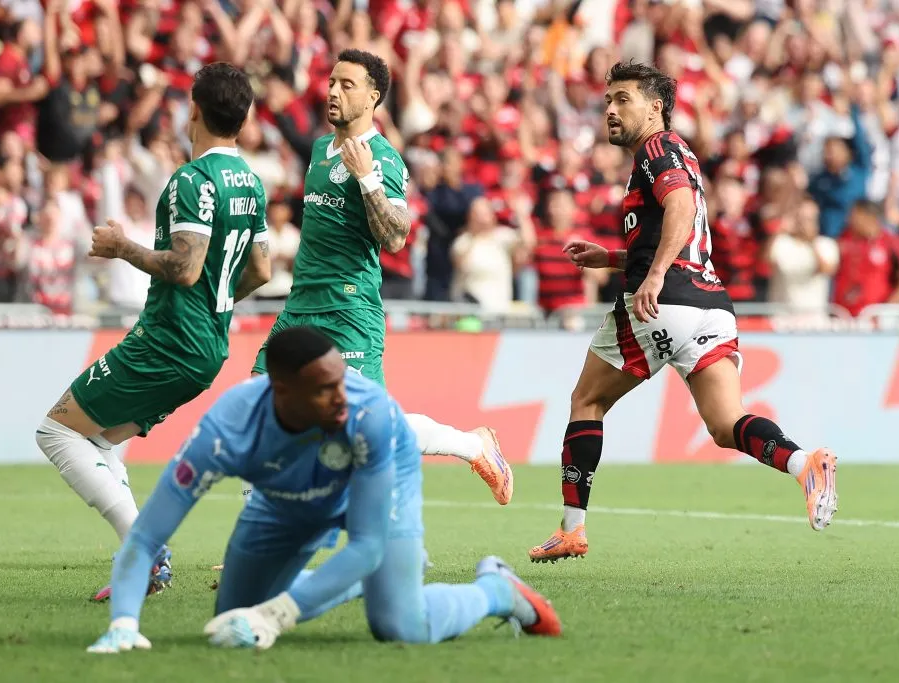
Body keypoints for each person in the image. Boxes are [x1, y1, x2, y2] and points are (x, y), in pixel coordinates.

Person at [527, 62, 839, 564]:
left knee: (586, 400)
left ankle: (572, 529)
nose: (610, 109)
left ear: (655, 108)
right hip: (710, 305)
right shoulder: (676, 155)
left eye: (622, 99)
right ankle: (807, 464)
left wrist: (650, 278)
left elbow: (681, 211)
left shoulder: (657, 148)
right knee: (725, 424)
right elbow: (679, 233)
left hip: (664, 299)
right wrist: (613, 258)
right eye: (607, 100)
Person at [86, 327, 561, 654]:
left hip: (367, 497)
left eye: (342, 381)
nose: (343, 396)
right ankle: (357, 580)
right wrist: (123, 625)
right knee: (233, 617)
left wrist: (280, 614)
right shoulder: (226, 431)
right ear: (281, 392)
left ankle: (496, 590)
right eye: (325, 388)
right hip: (283, 503)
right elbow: (147, 535)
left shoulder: (371, 415)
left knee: (401, 625)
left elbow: (369, 542)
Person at [33, 62, 272, 599]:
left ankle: (145, 548)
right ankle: (142, 559)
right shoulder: (250, 182)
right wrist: (217, 302)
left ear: (193, 110)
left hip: (168, 340)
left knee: (56, 432)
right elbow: (261, 270)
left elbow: (186, 268)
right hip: (208, 345)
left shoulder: (194, 180)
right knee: (97, 440)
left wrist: (122, 248)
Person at [249, 49, 513, 506]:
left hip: (349, 310)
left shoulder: (384, 160)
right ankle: (256, 540)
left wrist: (367, 179)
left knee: (368, 425)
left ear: (373, 97)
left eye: (346, 85)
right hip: (300, 307)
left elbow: (394, 237)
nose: (333, 91)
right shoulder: (318, 149)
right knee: (259, 409)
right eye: (331, 82)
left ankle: (473, 446)